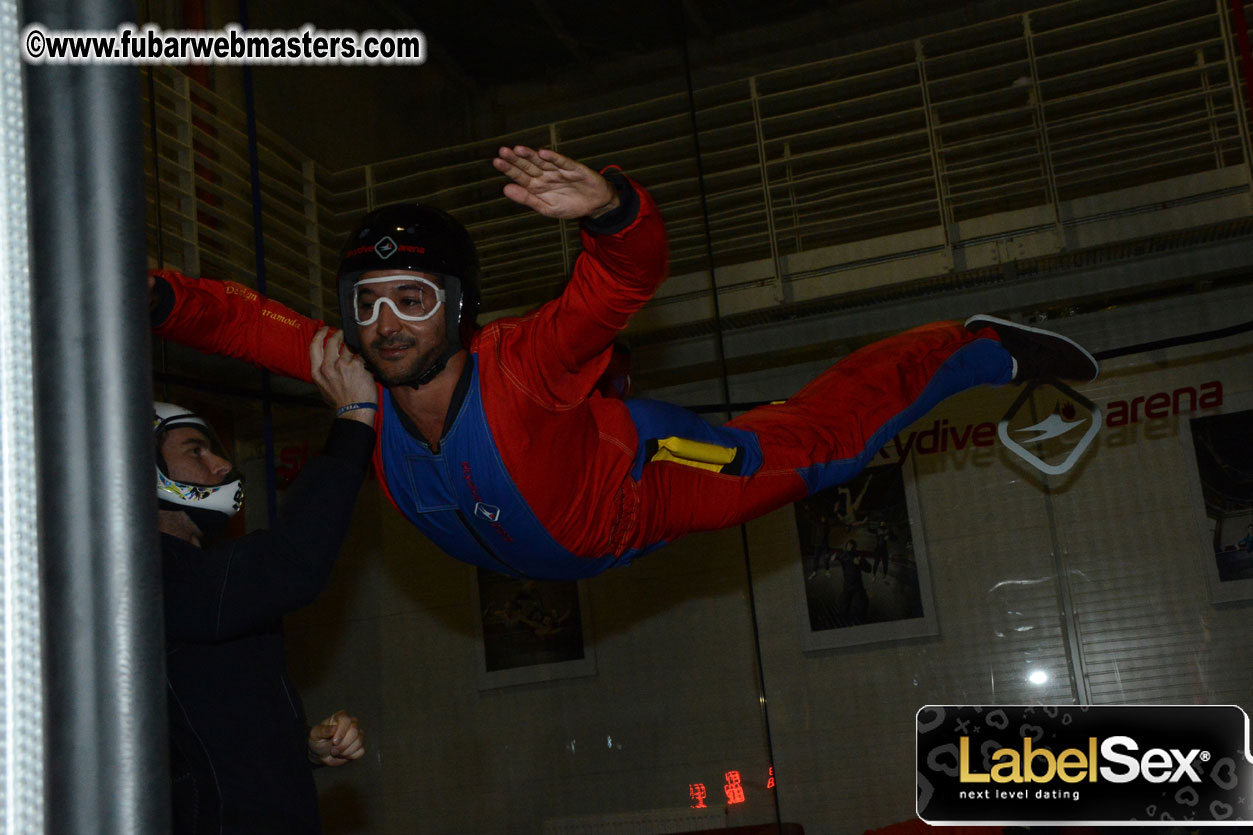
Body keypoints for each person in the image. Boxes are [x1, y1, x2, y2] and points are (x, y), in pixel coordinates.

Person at [149, 144, 1099, 582]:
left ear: (461, 308)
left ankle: (974, 348)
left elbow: (620, 282)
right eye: (367, 302)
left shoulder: (521, 363)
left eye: (413, 298)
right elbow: (230, 320)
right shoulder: (351, 371)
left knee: (817, 454)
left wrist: (610, 210)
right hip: (544, 538)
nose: (385, 323)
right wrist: (143, 295)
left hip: (640, 483)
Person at [157, 327, 374, 833]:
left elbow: (221, 737)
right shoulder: (144, 579)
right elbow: (291, 562)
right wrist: (354, 419)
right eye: (196, 451)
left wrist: (305, 750)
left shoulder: (206, 581)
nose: (222, 464)